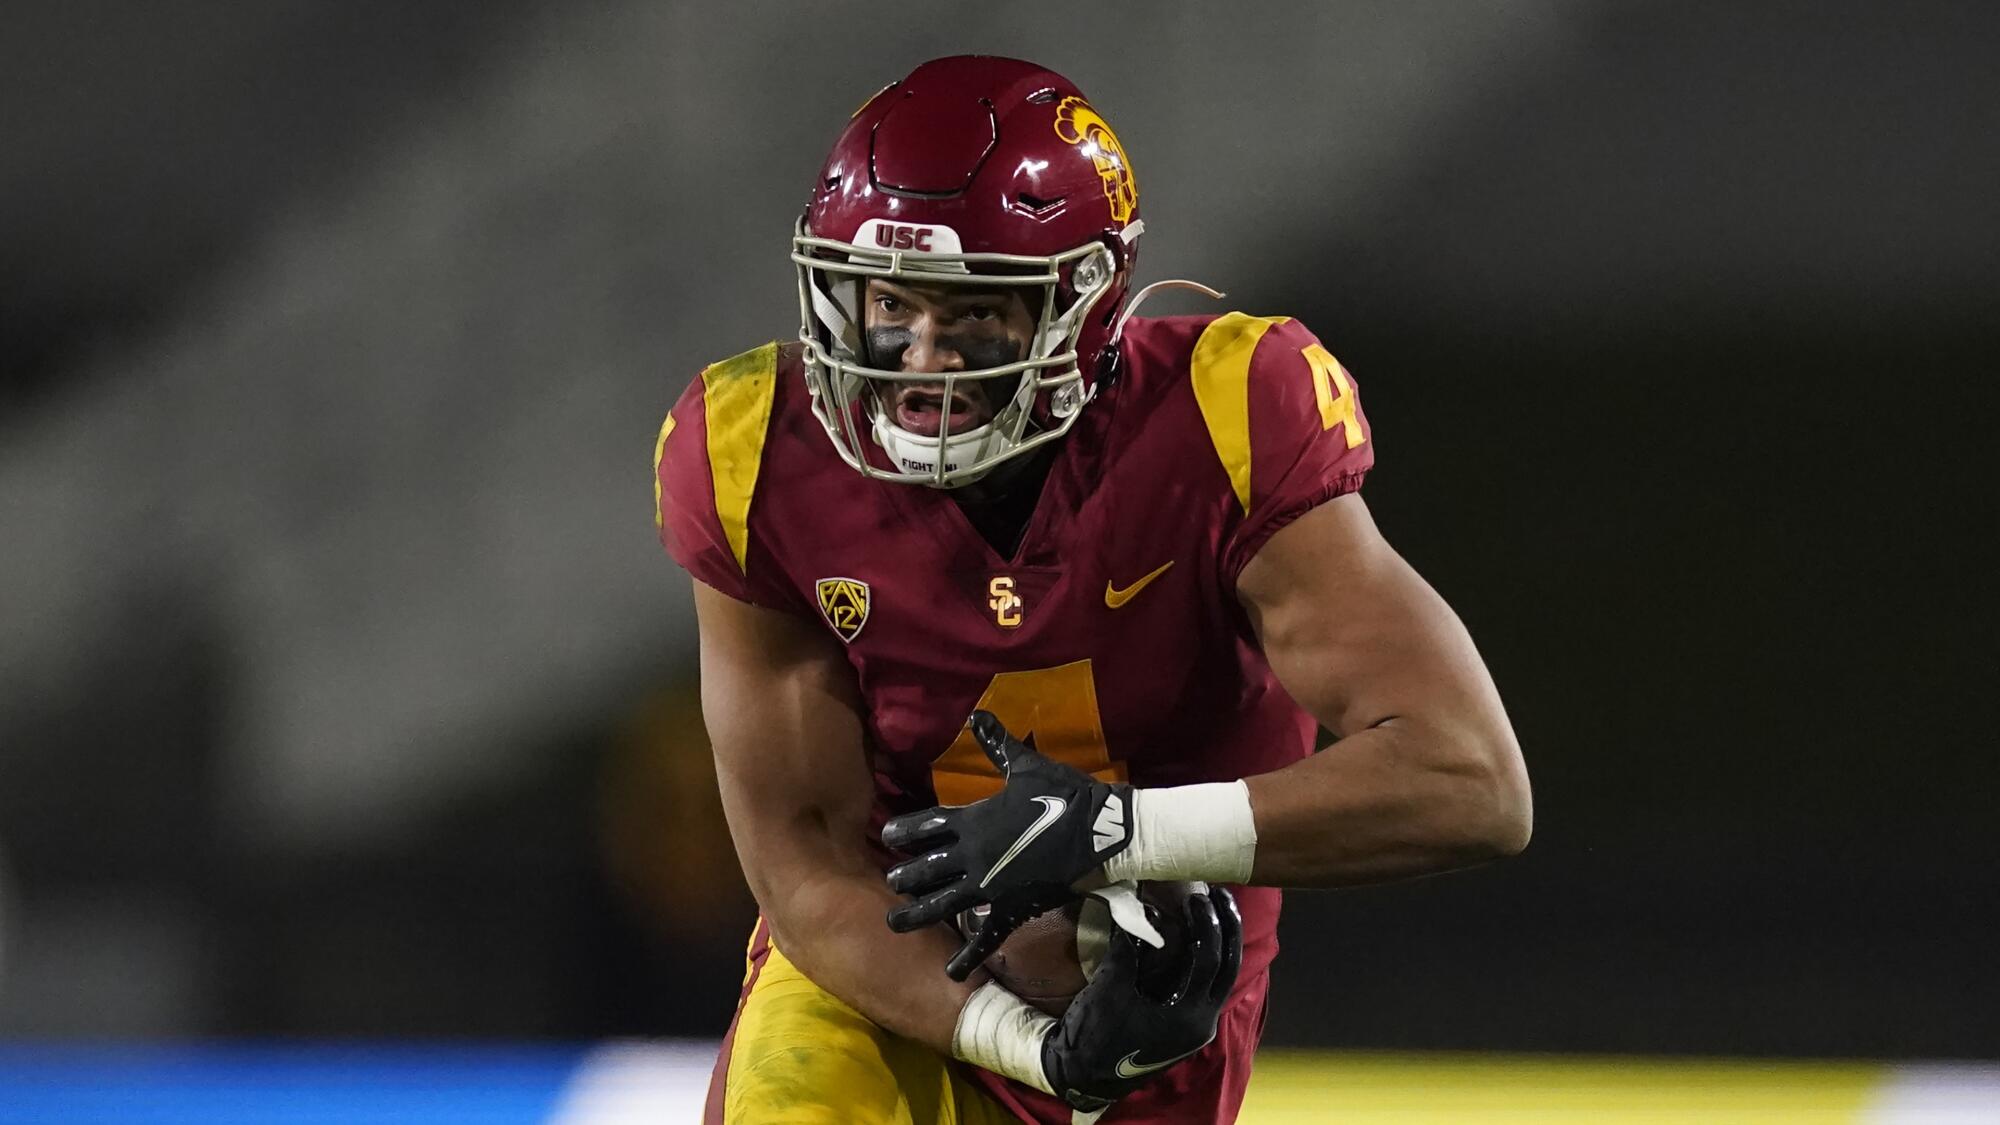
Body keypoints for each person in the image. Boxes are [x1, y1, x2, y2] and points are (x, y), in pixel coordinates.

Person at [655, 54, 1531, 1124]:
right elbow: (803, 870)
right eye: (889, 304)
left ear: (1082, 304)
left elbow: (1471, 780)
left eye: (973, 315)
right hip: (888, 982)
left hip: (1153, 993)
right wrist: (1017, 1040)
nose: (921, 364)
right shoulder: (756, 453)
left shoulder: (1223, 415)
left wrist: (1122, 833)